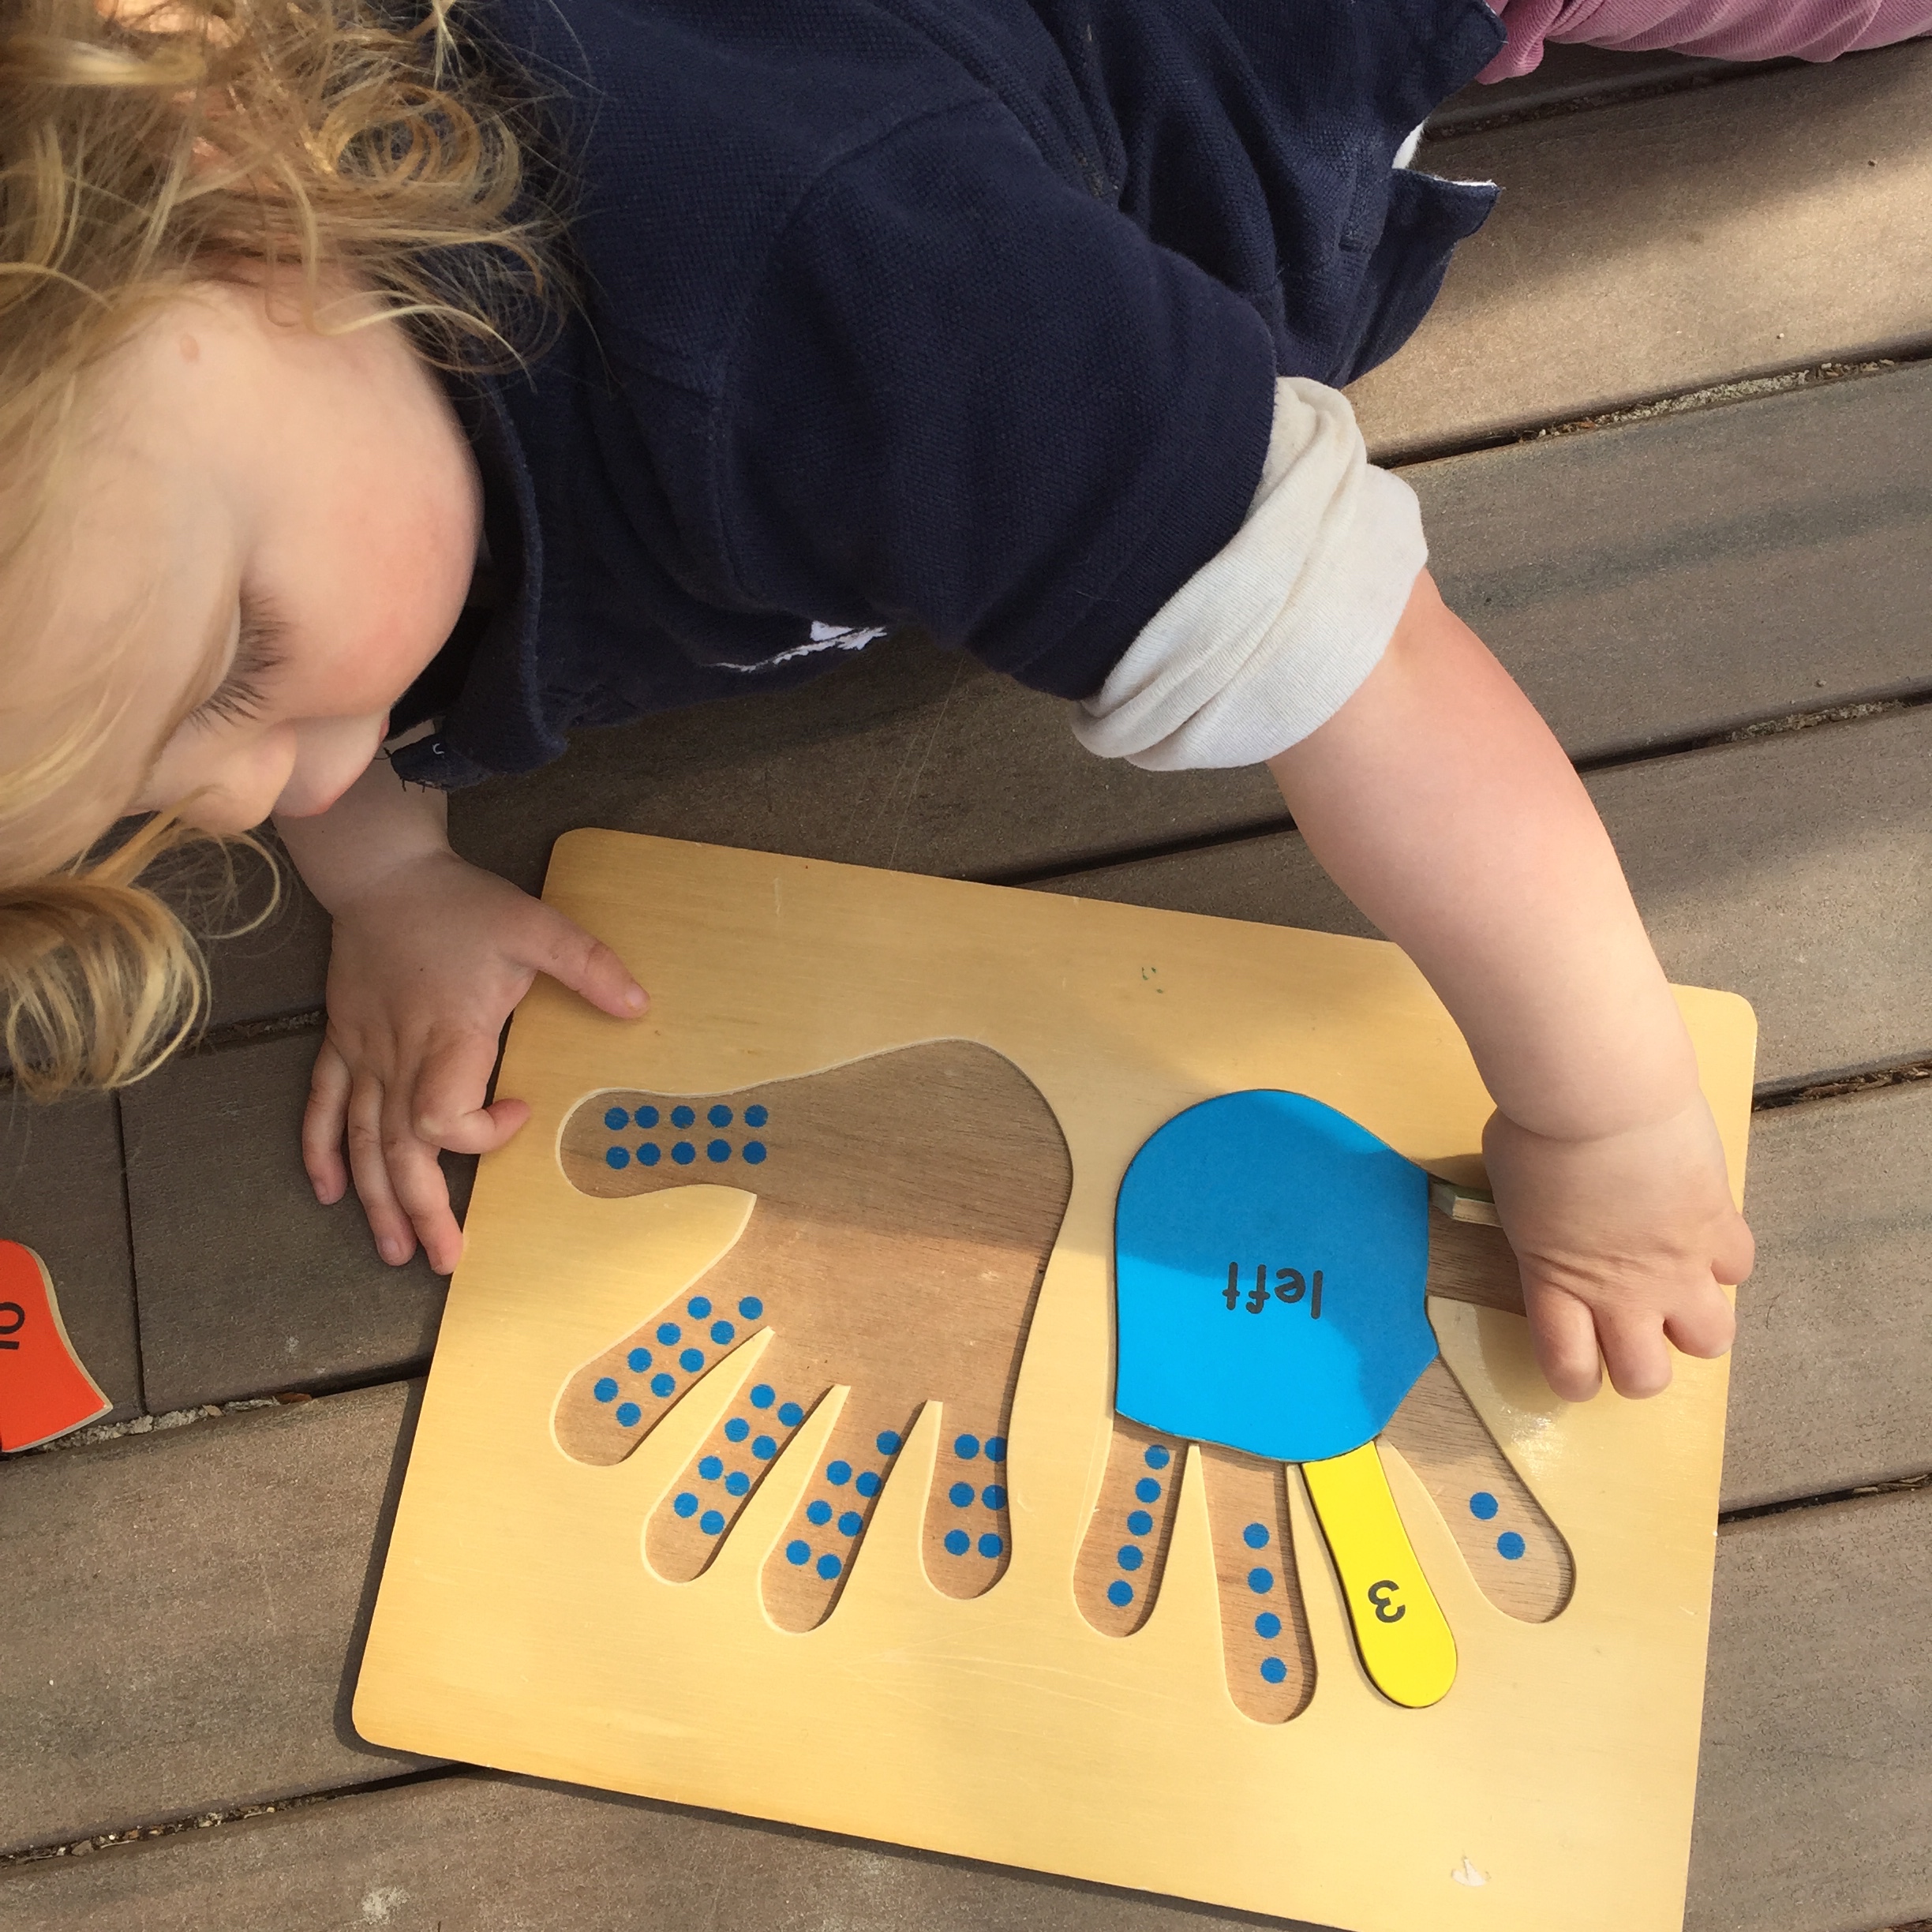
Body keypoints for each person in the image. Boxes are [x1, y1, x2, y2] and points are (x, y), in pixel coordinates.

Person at [13, 0, 1910, 1412]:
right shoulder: (220, 429)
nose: (268, 790)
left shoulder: (844, 299)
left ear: (238, 205)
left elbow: (1375, 676)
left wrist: (1606, 1126)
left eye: (245, 661)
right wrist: (396, 875)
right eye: (139, 813)